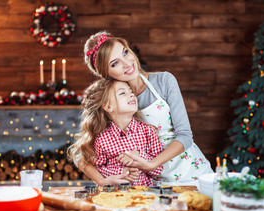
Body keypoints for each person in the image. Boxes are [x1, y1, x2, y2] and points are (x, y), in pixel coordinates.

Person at [74, 30, 213, 186]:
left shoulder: (164, 81)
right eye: (115, 63)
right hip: (154, 184)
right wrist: (102, 180)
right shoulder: (116, 102)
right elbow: (81, 154)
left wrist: (152, 164)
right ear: (105, 73)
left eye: (125, 52)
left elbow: (185, 136)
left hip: (192, 174)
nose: (127, 63)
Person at [68, 79, 163, 186]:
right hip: (114, 196)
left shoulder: (149, 132)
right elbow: (97, 169)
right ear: (108, 107)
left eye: (131, 91)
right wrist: (122, 173)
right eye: (123, 93)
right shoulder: (102, 140)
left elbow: (158, 170)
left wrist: (138, 155)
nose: (132, 95)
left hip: (144, 197)